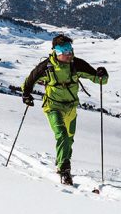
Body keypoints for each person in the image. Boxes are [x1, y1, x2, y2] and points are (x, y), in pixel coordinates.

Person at [21, 34, 109, 185]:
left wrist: (102, 74)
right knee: (61, 135)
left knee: (68, 139)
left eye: (70, 49)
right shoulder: (46, 67)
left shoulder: (76, 65)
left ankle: (61, 160)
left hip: (71, 108)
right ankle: (64, 169)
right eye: (64, 50)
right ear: (56, 51)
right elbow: (29, 81)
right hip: (53, 106)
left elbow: (99, 79)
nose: (69, 53)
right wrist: (26, 95)